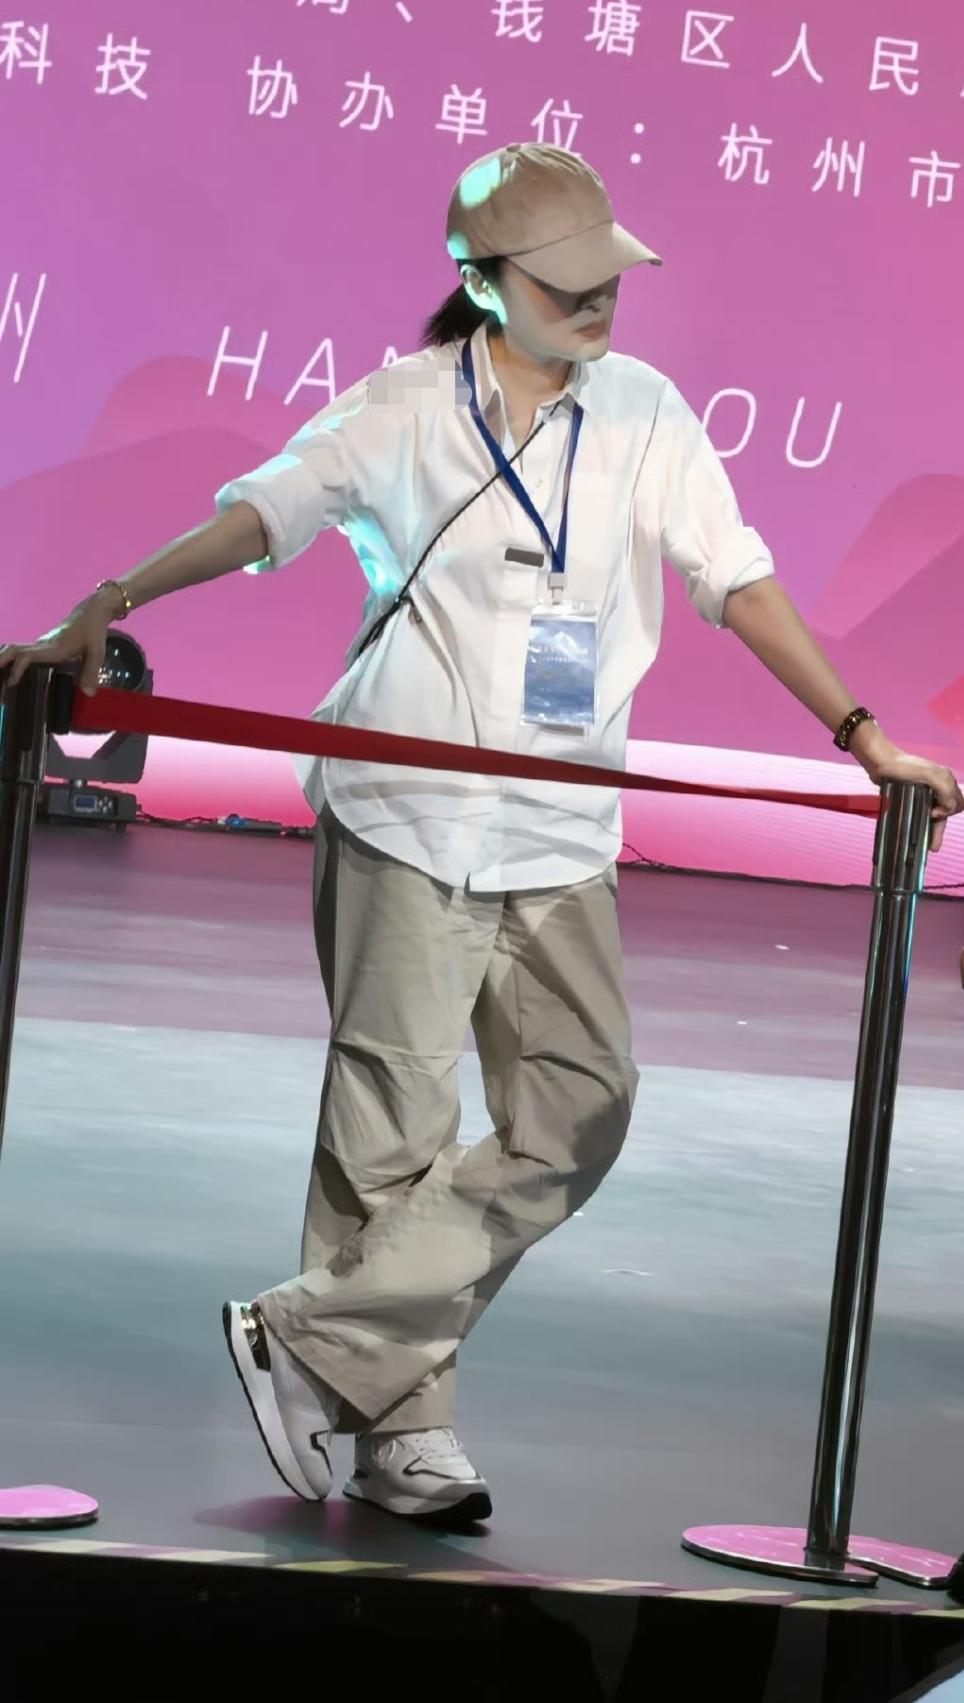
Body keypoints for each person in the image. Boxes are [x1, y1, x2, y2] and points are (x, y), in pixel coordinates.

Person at [2, 143, 961, 1527]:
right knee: (391, 1128)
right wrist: (107, 599)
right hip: (406, 809)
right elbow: (263, 513)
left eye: (605, 275)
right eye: (563, 281)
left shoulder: (646, 412)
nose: (597, 299)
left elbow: (738, 581)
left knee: (581, 1107)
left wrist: (862, 732)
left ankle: (311, 1337)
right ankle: (404, 1434)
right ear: (482, 279)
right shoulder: (404, 407)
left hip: (559, 825)